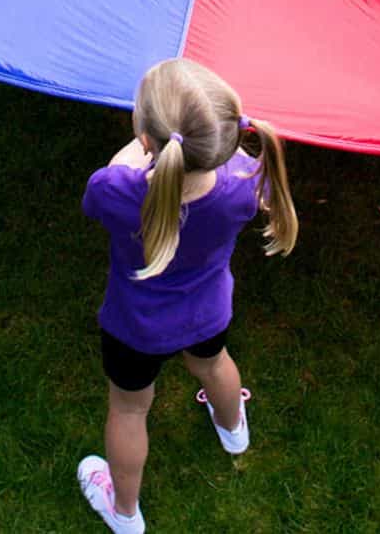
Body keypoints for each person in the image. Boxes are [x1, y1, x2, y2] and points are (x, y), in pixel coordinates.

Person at [76, 58, 298, 534]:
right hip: (208, 313)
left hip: (134, 328)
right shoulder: (245, 179)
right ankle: (234, 430)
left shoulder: (117, 189)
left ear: (146, 140)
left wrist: (137, 154)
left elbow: (99, 196)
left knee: (130, 408)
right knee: (214, 364)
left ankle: (125, 512)